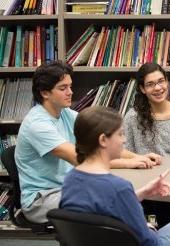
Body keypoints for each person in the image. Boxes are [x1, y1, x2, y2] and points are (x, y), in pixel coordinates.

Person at [15, 61, 161, 223]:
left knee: (114, 194)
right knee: (109, 199)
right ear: (45, 93)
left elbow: (106, 140)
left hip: (69, 186)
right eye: (63, 88)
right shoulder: (37, 124)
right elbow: (81, 160)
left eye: (70, 86)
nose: (70, 92)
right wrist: (130, 163)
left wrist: (138, 157)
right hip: (42, 199)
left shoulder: (65, 113)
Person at [60, 106, 170, 245]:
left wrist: (143, 192)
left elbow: (104, 205)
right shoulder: (119, 187)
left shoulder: (70, 179)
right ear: (103, 140)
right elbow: (150, 242)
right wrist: (149, 228)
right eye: (120, 134)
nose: (125, 140)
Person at [123, 62, 170, 156]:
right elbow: (125, 153)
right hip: (144, 170)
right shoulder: (132, 117)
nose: (157, 88)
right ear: (142, 89)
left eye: (161, 81)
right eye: (150, 84)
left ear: (167, 82)